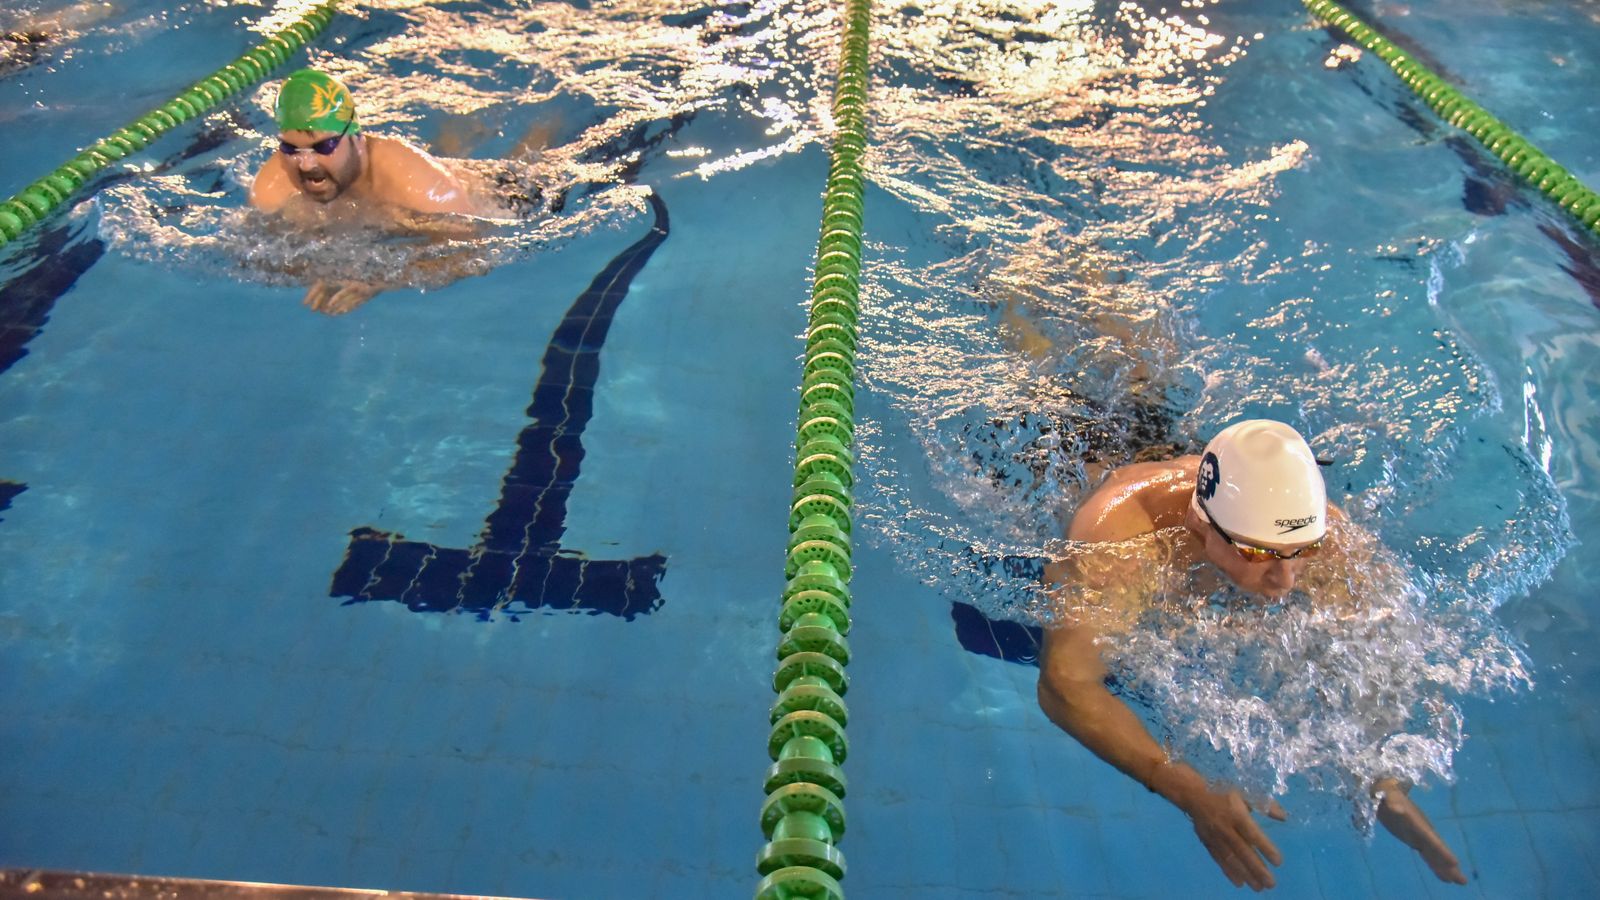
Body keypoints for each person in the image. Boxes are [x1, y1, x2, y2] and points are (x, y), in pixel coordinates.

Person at [1038, 418, 1469, 891]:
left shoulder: (1323, 529)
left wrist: (1383, 778)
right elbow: (1066, 685)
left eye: (1304, 550)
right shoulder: (1118, 541)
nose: (1286, 581)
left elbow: (1375, 654)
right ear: (1199, 522)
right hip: (1060, 450)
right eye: (1259, 554)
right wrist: (1190, 790)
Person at [249, 69, 508, 315]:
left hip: (500, 191)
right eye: (291, 149)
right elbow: (258, 258)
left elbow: (472, 254)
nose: (306, 164)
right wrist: (318, 270)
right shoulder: (270, 190)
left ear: (357, 139)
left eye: (323, 147)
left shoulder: (419, 188)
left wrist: (382, 279)